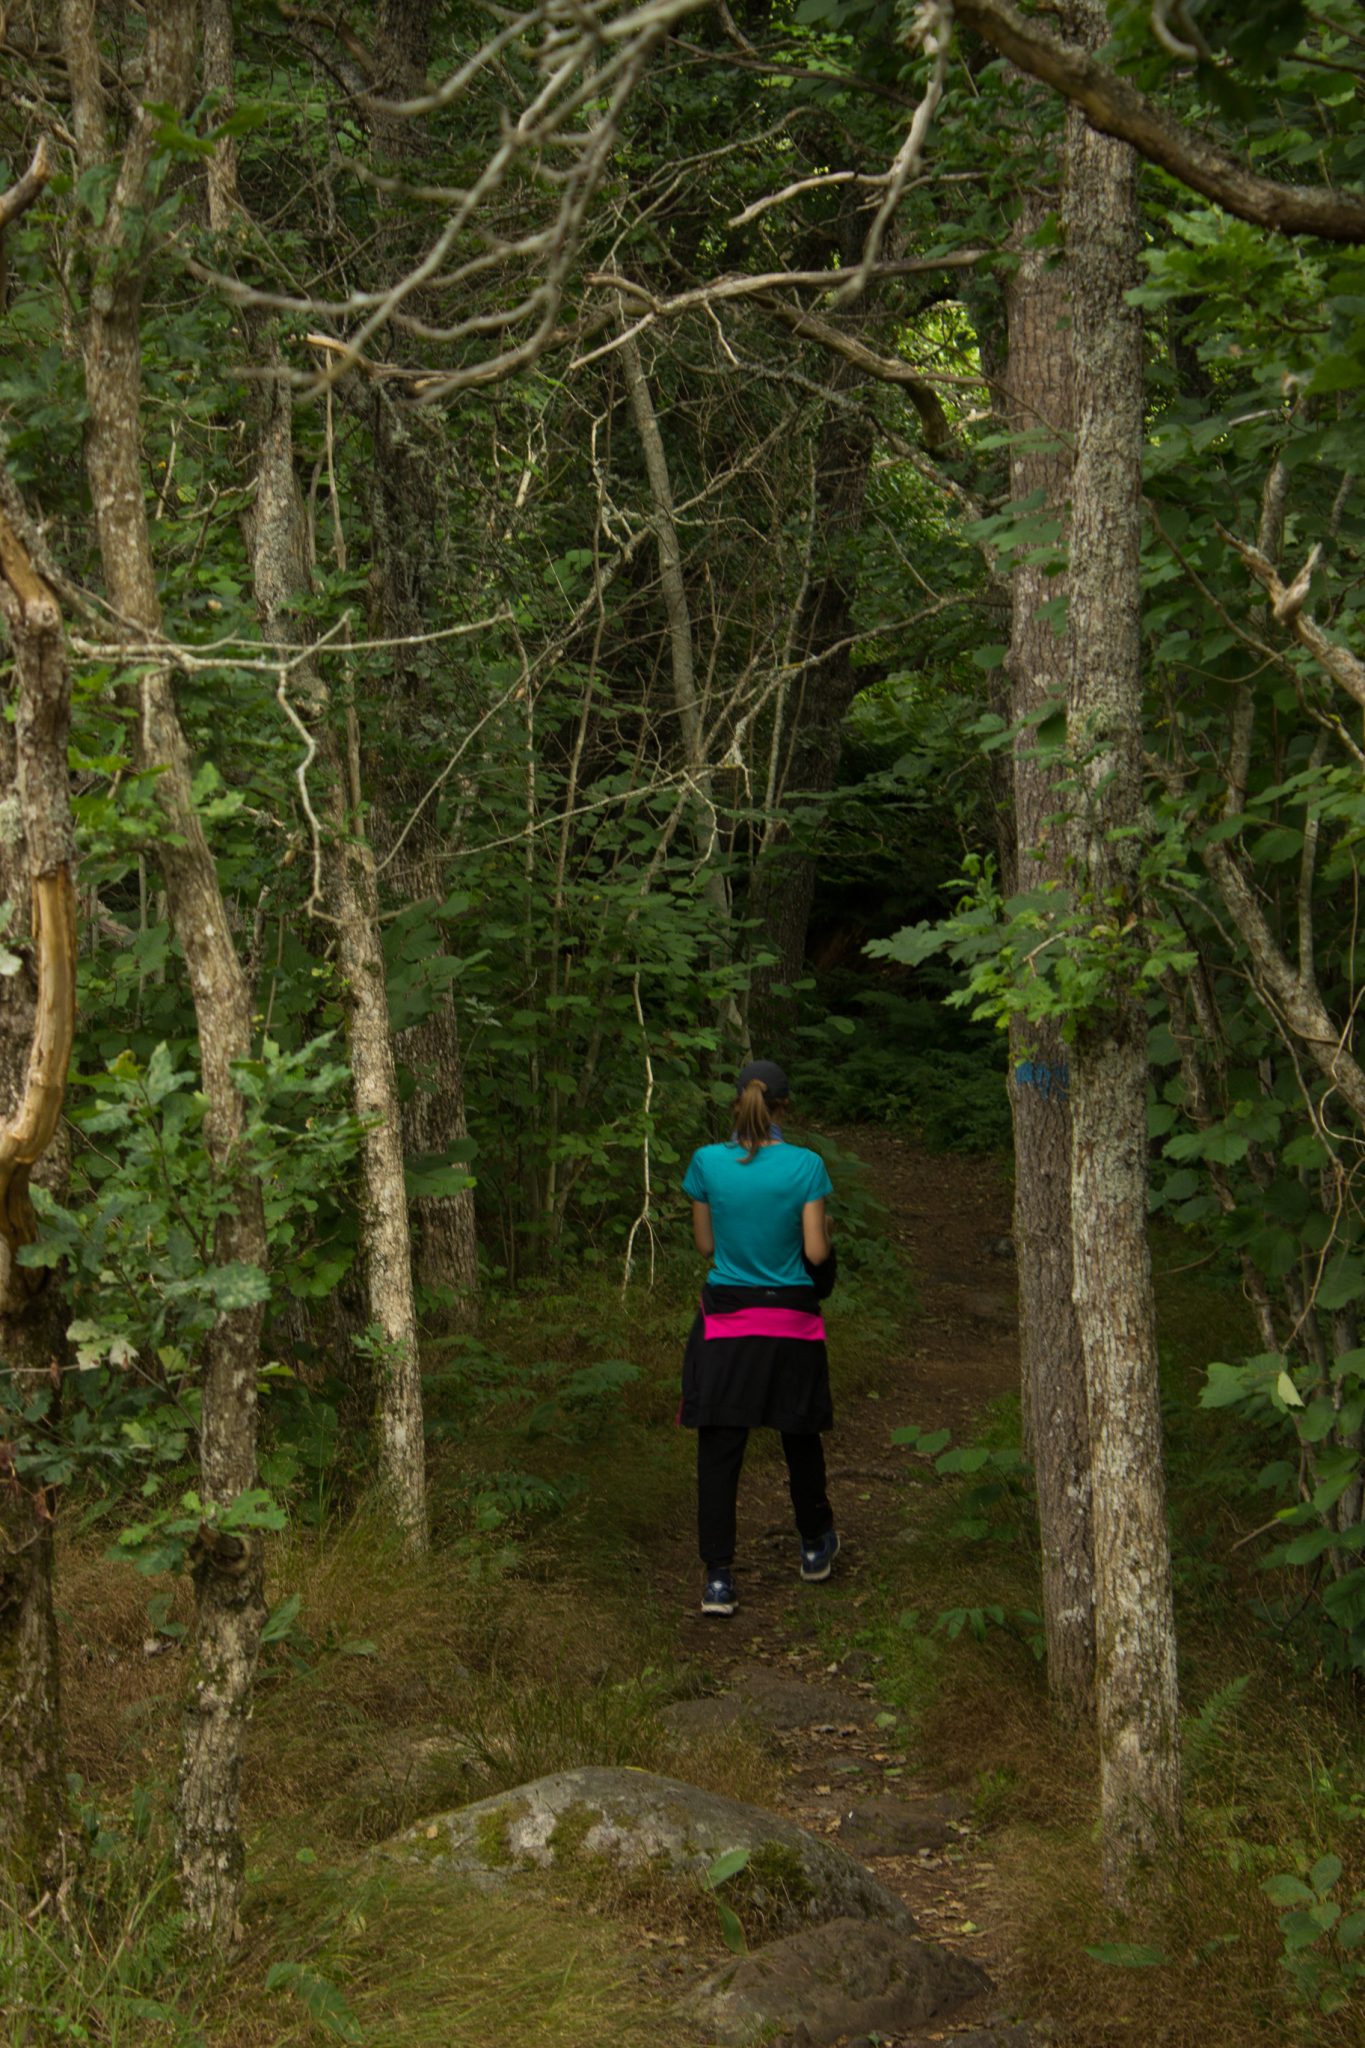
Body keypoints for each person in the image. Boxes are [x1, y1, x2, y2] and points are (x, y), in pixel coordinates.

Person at [679, 1058, 839, 1617]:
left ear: (736, 1103)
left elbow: (706, 1248)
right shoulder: (807, 1166)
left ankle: (719, 1578)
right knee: (799, 1434)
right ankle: (815, 1544)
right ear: (783, 1108)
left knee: (721, 1447)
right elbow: (816, 1254)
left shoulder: (706, 1164)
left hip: (727, 1321)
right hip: (791, 1321)